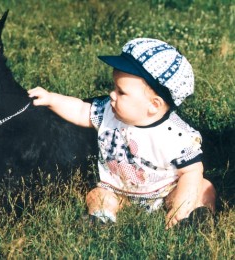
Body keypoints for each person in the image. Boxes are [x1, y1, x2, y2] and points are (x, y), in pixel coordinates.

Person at [28, 38, 216, 229]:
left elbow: (191, 171)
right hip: (119, 192)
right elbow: (80, 110)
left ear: (154, 105)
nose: (111, 95)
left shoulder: (177, 136)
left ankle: (190, 218)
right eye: (114, 87)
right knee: (97, 195)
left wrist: (181, 207)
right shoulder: (108, 112)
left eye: (121, 92)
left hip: (166, 191)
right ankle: (102, 219)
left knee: (202, 187)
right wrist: (51, 99)